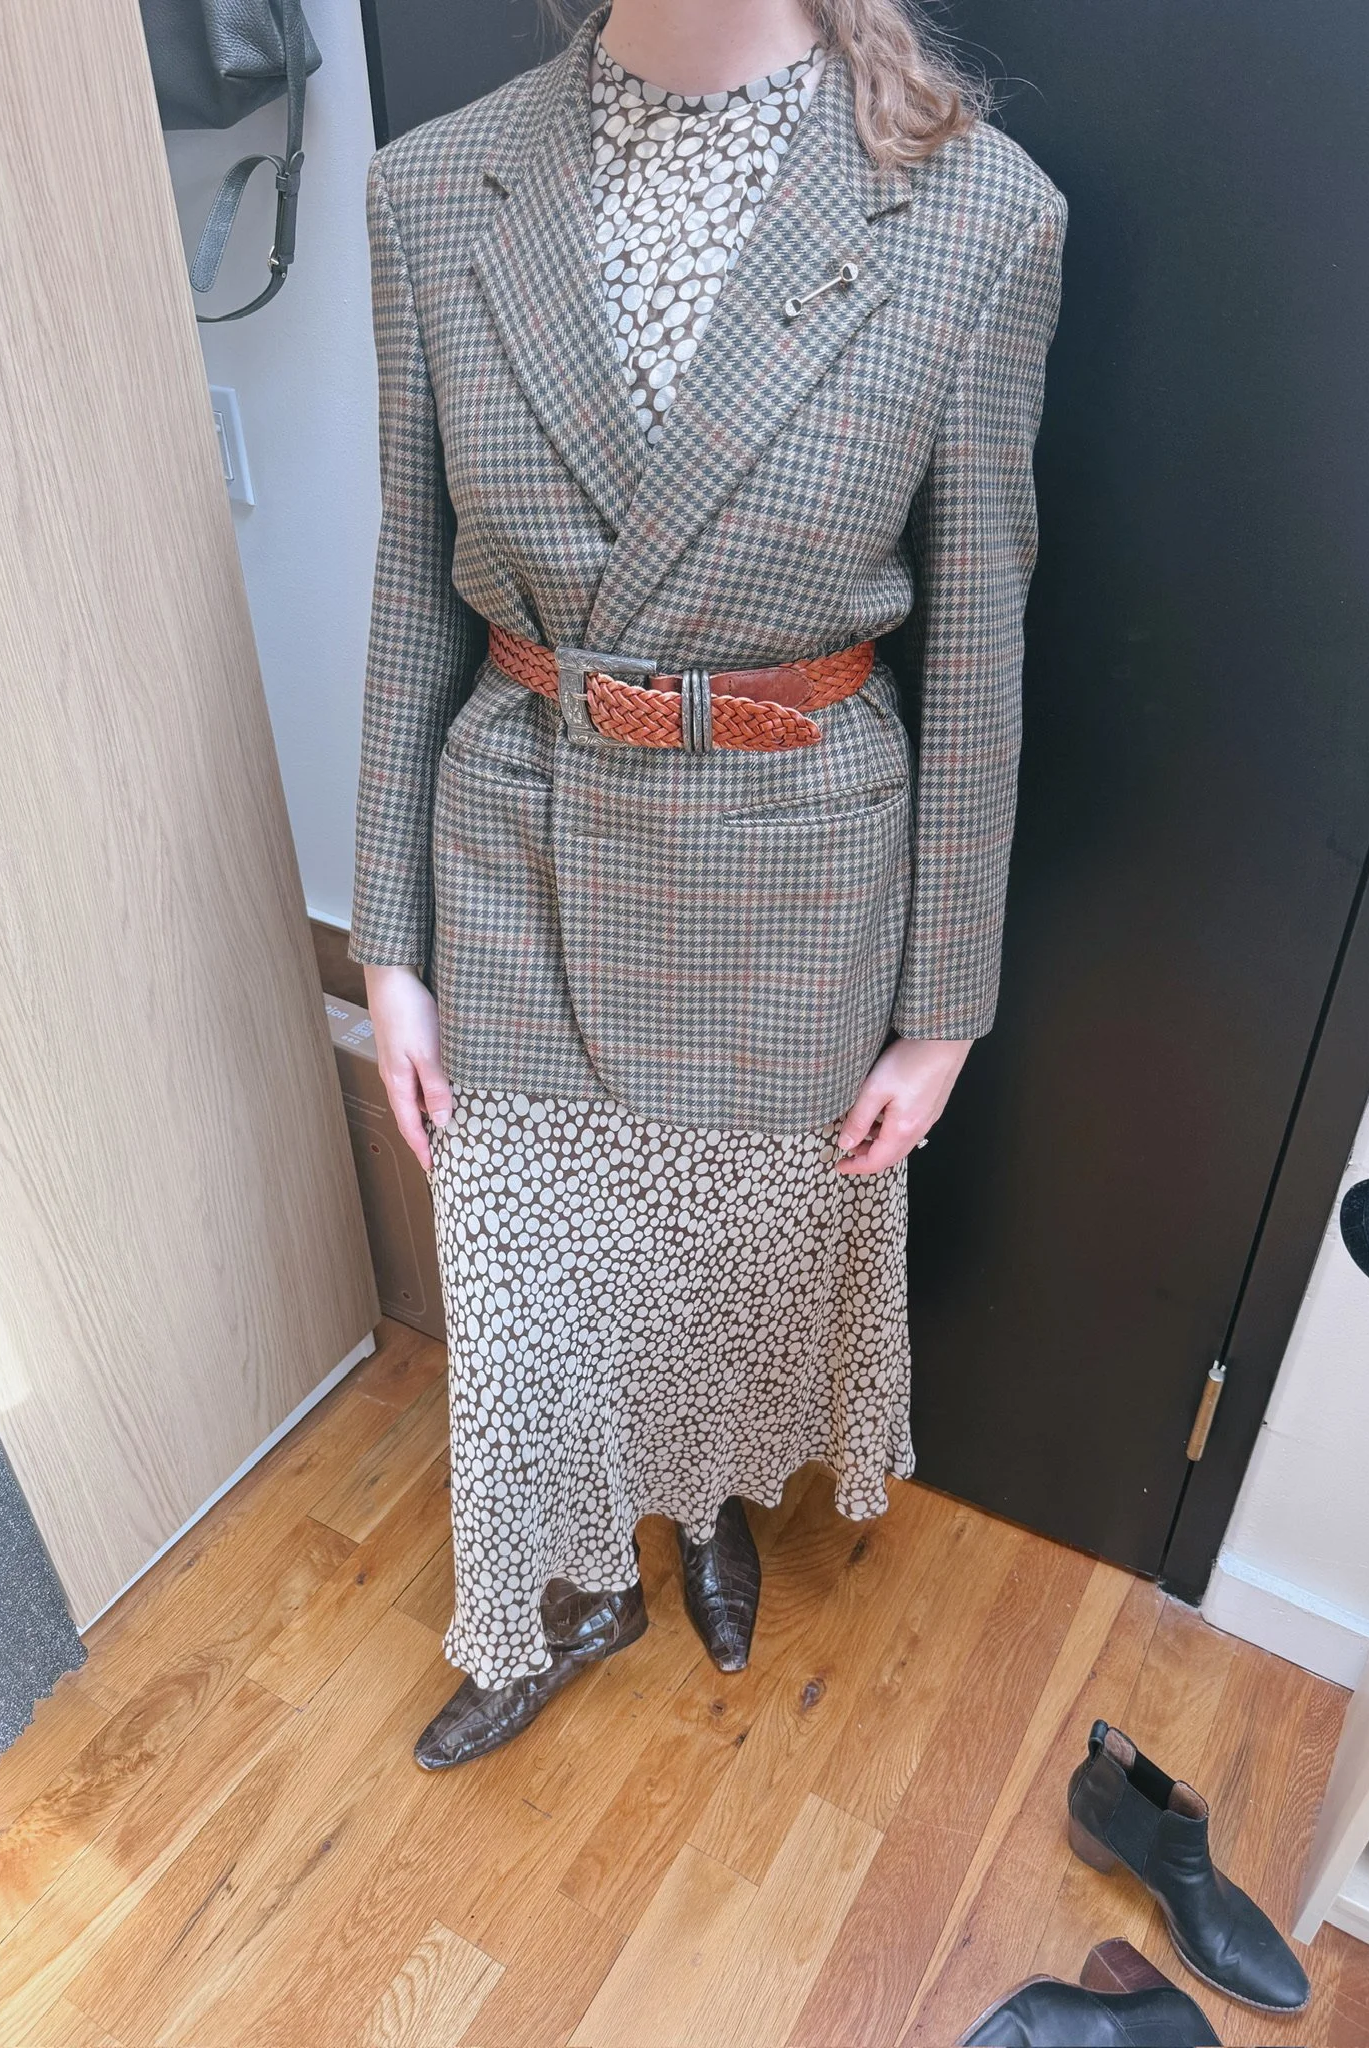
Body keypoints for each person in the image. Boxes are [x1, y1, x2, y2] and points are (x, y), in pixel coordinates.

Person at [350, 0, 1065, 1767]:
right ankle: (563, 1590)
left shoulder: (980, 212)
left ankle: (704, 1504)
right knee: (525, 1290)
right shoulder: (432, 188)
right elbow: (412, 585)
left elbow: (982, 648)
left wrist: (945, 1012)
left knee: (726, 1270)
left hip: (797, 875)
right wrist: (388, 941)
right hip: (517, 840)